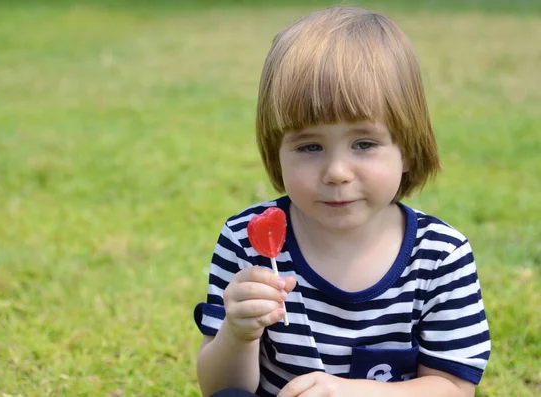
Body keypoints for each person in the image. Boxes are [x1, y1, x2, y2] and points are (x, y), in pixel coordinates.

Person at [193, 6, 491, 397]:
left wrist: (356, 391)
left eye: (364, 144)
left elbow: (452, 387)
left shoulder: (439, 255)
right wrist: (237, 333)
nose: (337, 172)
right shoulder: (246, 241)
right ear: (275, 152)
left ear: (407, 149)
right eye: (309, 146)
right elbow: (220, 388)